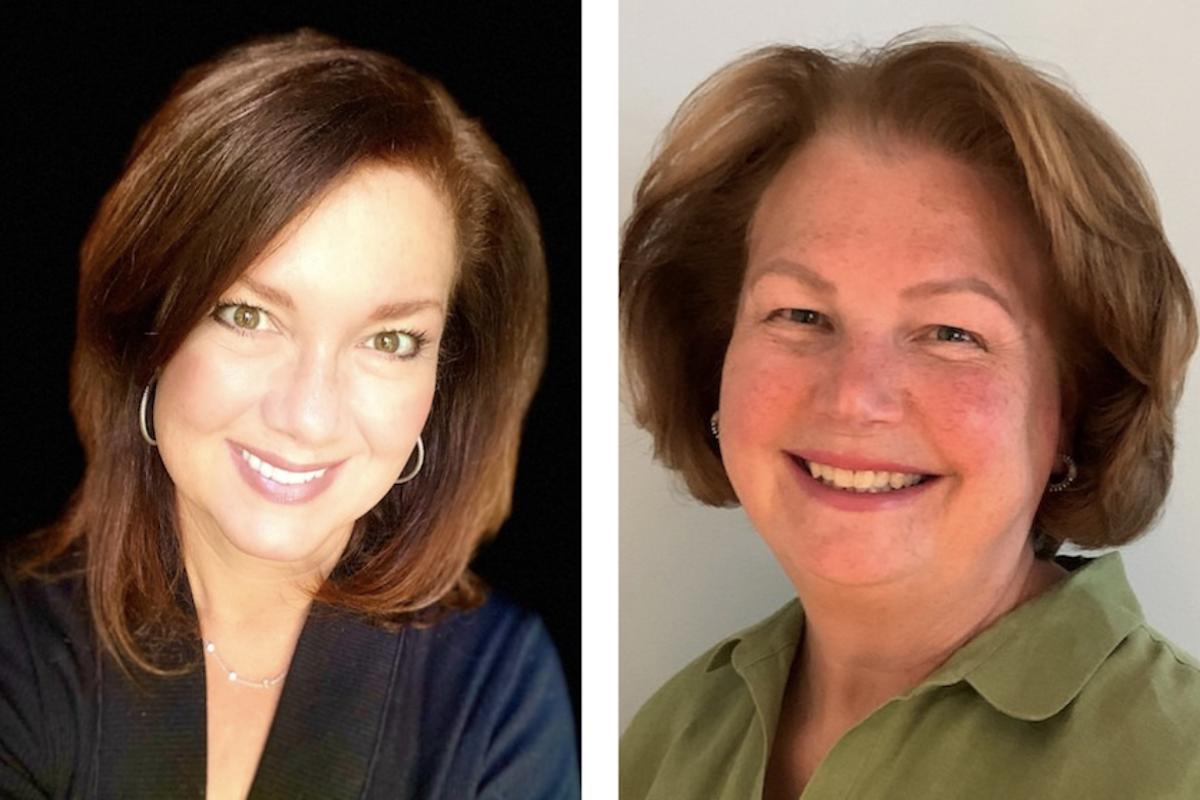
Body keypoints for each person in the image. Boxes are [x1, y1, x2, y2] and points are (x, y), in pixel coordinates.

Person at [0, 30, 578, 799]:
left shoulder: (494, 686)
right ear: (147, 328)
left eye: (391, 339)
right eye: (248, 316)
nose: (307, 415)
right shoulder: (17, 643)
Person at [619, 33, 1200, 799]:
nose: (855, 395)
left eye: (953, 333)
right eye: (798, 313)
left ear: (1073, 408)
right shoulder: (668, 735)